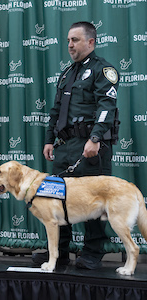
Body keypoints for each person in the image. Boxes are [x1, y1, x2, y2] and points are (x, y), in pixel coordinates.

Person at [33, 22, 119, 270]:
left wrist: (95, 139)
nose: (70, 44)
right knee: (57, 199)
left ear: (90, 42)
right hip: (65, 146)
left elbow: (107, 107)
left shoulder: (103, 70)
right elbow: (56, 110)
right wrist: (50, 139)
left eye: (75, 40)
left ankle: (92, 252)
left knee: (93, 201)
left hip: (91, 147)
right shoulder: (67, 73)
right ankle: (58, 253)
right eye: (68, 40)